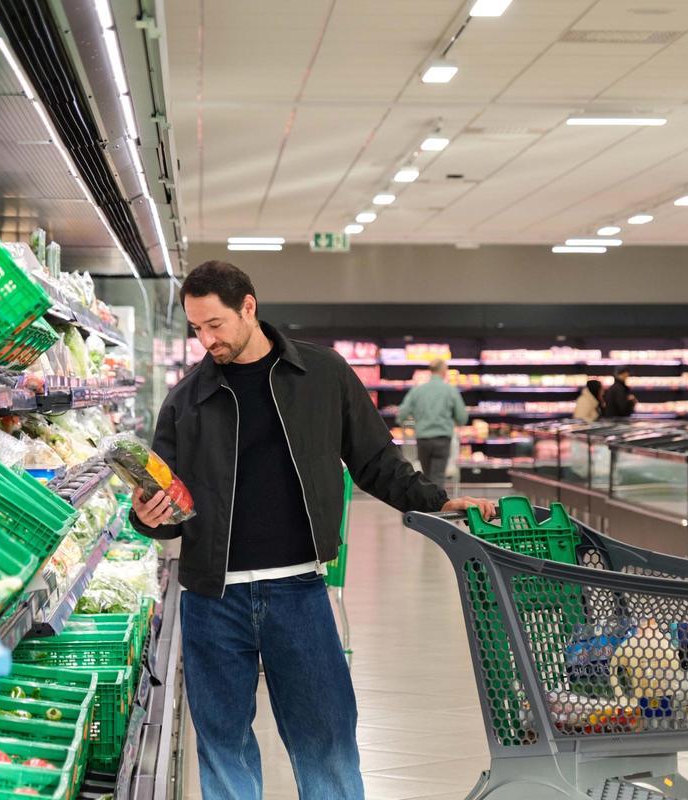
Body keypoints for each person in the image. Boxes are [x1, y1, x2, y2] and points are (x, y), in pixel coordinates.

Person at [130, 260, 495, 800]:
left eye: (215, 324)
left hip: (298, 590)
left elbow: (376, 460)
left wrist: (438, 499)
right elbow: (159, 494)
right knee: (222, 745)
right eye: (196, 328)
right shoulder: (186, 400)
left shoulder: (322, 375)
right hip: (211, 596)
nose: (205, 339)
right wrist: (146, 516)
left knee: (326, 742)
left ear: (248, 308)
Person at [395, 358, 468, 488]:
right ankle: (437, 506)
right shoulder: (450, 390)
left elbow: (402, 413)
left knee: (427, 475)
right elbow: (462, 417)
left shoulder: (418, 390)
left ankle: (427, 505)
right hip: (442, 439)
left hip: (423, 439)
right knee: (438, 475)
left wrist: (405, 423)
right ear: (444, 372)